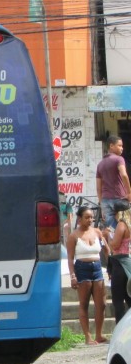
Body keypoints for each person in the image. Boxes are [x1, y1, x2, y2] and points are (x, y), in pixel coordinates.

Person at [66, 206, 110, 345]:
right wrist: (73, 276)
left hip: (97, 268)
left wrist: (111, 267)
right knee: (84, 303)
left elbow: (106, 249)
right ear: (79, 219)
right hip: (82, 268)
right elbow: (70, 258)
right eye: (87, 217)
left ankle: (99, 334)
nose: (90, 220)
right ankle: (87, 336)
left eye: (91, 217)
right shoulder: (74, 236)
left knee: (101, 304)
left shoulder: (97, 232)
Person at [104, 200, 131, 323]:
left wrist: (108, 236)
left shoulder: (121, 224)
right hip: (127, 261)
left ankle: (120, 326)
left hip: (120, 262)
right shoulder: (128, 224)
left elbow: (115, 245)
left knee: (118, 299)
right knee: (128, 296)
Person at [97, 135, 131, 229]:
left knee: (112, 229)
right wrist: (129, 193)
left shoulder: (100, 164)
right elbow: (124, 175)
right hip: (120, 198)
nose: (122, 148)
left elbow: (98, 187)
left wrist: (101, 204)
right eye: (119, 145)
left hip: (105, 201)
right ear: (111, 146)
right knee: (127, 226)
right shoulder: (119, 159)